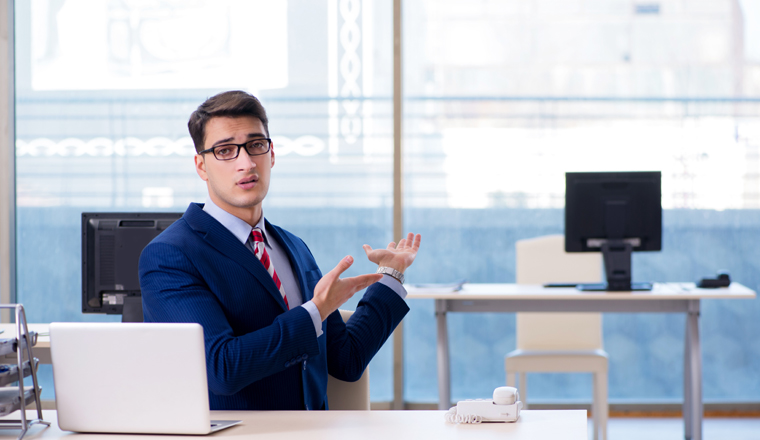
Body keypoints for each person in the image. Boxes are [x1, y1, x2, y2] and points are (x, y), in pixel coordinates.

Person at [138, 90, 421, 411]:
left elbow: (346, 360)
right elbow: (221, 369)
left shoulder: (293, 247)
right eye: (225, 150)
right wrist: (316, 311)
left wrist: (391, 275)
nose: (245, 163)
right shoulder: (170, 256)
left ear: (271, 155)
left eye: (256, 145)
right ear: (201, 166)